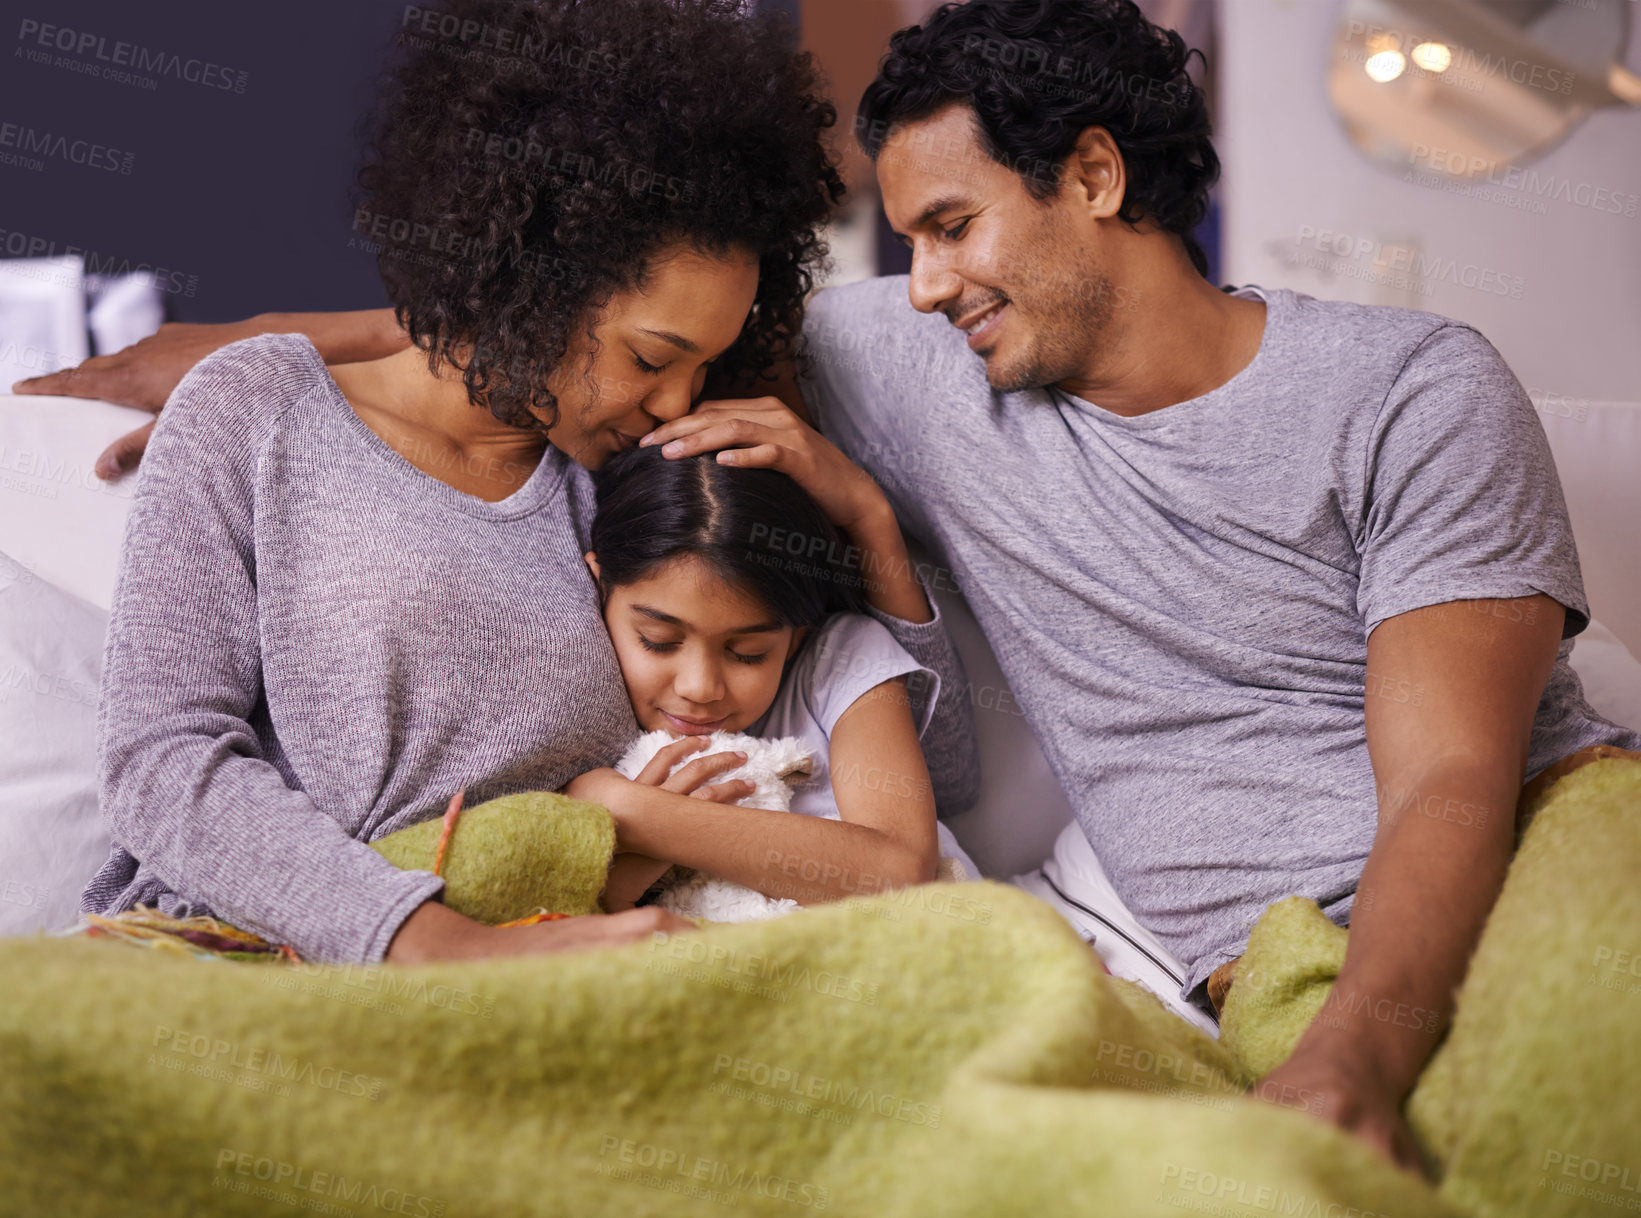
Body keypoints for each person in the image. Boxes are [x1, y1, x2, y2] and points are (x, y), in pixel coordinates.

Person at [27, 0, 1635, 1176]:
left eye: (945, 227)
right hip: (1220, 951)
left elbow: (1440, 781)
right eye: (907, 241)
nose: (920, 283)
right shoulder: (882, 359)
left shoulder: (1409, 385)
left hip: (1517, 839)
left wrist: (1355, 1051)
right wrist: (232, 347)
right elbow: (530, 307)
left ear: (1089, 175)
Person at [56, 0, 978, 969]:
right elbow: (164, 765)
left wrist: (867, 516)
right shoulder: (257, 411)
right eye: (650, 358)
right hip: (273, 951)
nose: (676, 405)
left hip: (580, 951)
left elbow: (941, 770)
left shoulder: (644, 492)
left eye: (704, 369)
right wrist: (434, 944)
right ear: (529, 280)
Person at [576, 444, 980, 911]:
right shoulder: (587, 709)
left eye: (748, 653)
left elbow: (900, 872)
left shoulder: (842, 661)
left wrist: (640, 815)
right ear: (599, 585)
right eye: (659, 640)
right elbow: (590, 917)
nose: (700, 687)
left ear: (794, 636)